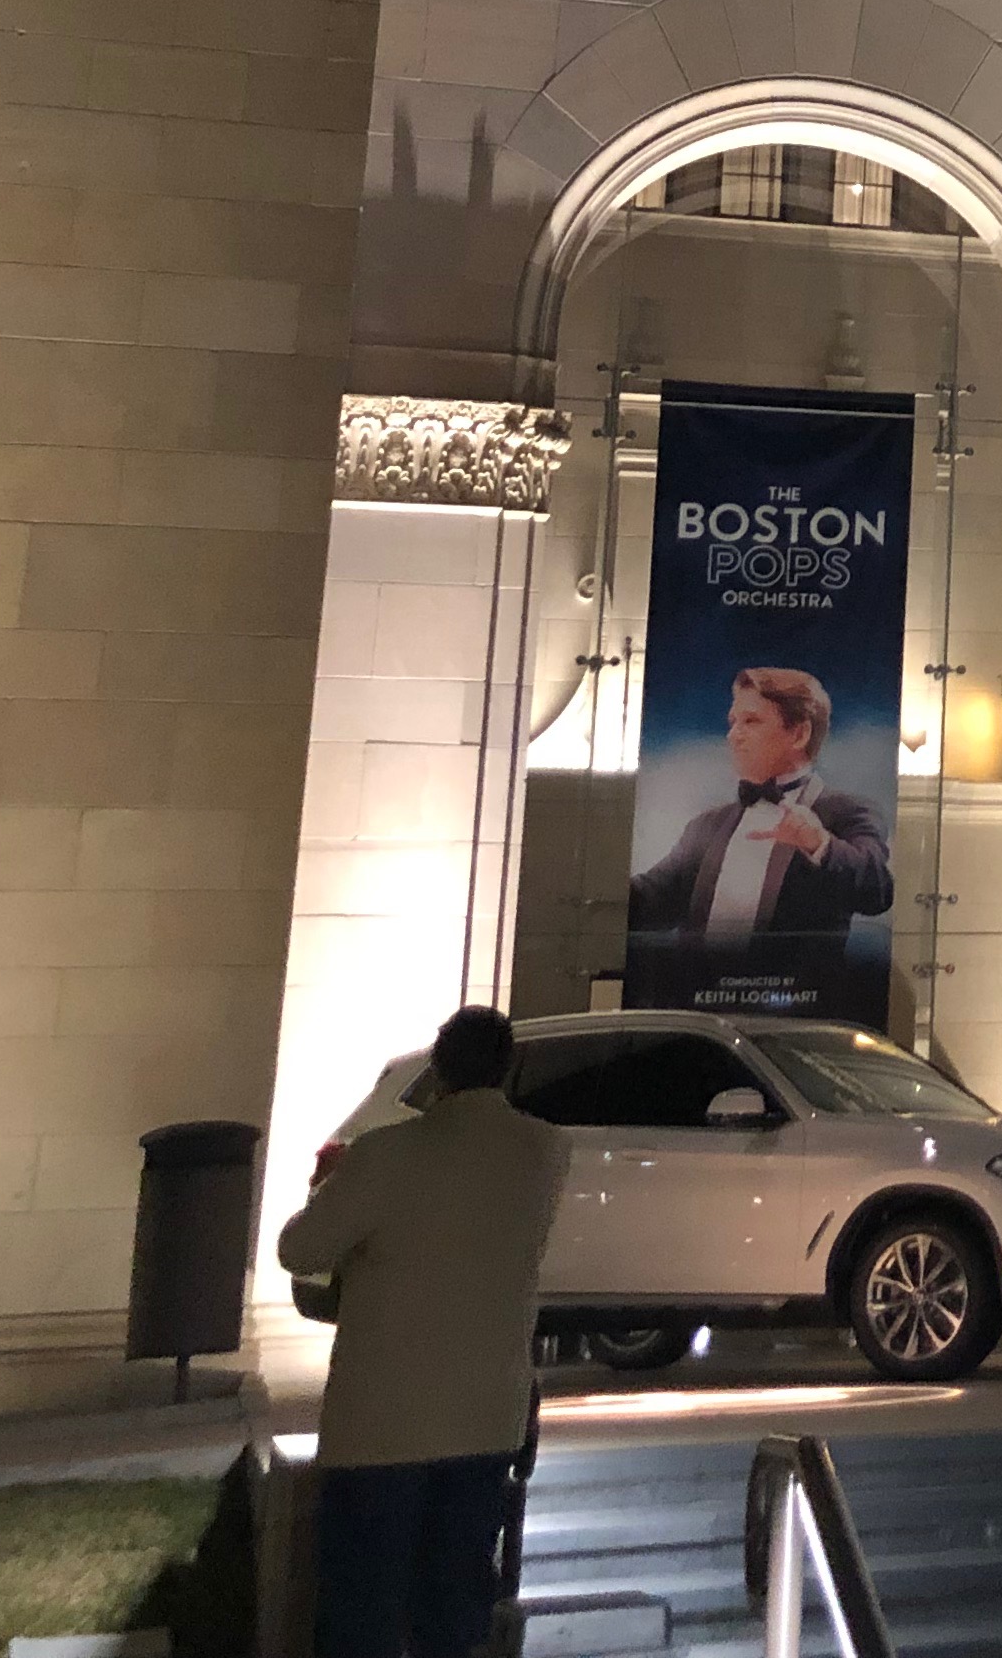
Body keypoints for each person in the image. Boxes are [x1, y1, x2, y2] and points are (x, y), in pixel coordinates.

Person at [277, 1006, 569, 1658]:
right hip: (488, 1413)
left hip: (384, 1421)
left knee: (363, 1606)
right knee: (456, 1600)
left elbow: (301, 1249)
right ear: (509, 1066)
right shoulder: (547, 1153)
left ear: (438, 1068)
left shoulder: (385, 1155)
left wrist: (331, 1196)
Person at [618, 667, 895, 998]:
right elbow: (654, 900)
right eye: (733, 722)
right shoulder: (708, 824)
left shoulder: (846, 812)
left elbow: (877, 891)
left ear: (799, 734)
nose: (733, 735)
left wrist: (818, 842)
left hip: (800, 1008)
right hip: (701, 1005)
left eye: (751, 721)